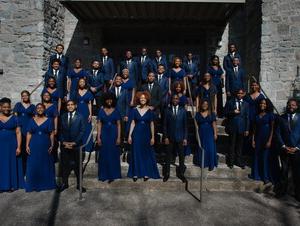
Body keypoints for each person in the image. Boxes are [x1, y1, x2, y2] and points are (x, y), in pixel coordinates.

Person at [127, 91, 160, 181]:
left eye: (144, 98)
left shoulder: (150, 111)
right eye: (141, 98)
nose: (142, 99)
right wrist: (130, 135)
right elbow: (133, 123)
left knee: (146, 154)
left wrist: (153, 137)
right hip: (136, 134)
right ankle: (136, 173)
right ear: (139, 99)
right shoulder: (134, 110)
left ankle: (146, 173)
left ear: (147, 99)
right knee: (136, 153)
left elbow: (152, 124)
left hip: (146, 134)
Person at [25, 103, 56, 192]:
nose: (39, 109)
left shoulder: (49, 120)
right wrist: (27, 145)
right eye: (38, 108)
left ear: (44, 109)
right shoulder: (31, 120)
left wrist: (52, 144)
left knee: (45, 162)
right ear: (36, 109)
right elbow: (29, 133)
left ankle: (46, 184)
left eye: (41, 107)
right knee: (33, 163)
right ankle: (33, 184)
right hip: (33, 144)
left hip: (45, 144)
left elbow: (51, 133)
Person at [274, 98, 300, 201]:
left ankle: (298, 194)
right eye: (289, 105)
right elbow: (278, 133)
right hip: (285, 149)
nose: (291, 107)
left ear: (297, 106)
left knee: (297, 173)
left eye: (293, 105)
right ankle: (282, 191)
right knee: (284, 171)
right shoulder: (282, 118)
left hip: (297, 150)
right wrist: (284, 146)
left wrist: (297, 147)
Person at [58, 100, 86, 192]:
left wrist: (75, 143)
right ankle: (64, 183)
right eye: (68, 105)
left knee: (78, 166)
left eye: (72, 105)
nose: (70, 106)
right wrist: (63, 142)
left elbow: (82, 131)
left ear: (75, 106)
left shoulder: (80, 116)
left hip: (76, 146)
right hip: (65, 145)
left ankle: (79, 185)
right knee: (64, 165)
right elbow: (60, 130)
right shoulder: (62, 116)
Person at [0, 98, 24, 191]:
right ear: (0, 107)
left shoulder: (15, 118)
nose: (6, 108)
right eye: (4, 107)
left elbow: (18, 133)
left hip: (11, 144)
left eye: (8, 107)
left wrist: (18, 147)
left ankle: (10, 185)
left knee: (10, 163)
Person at [97, 92, 122, 182]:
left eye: (111, 99)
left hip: (113, 134)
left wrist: (119, 137)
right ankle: (103, 175)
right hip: (104, 133)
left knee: (113, 154)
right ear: (104, 100)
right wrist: (98, 137)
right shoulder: (101, 110)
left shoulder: (116, 110)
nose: (109, 101)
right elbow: (99, 124)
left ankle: (113, 174)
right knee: (104, 154)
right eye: (107, 99)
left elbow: (119, 125)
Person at [163, 94, 188, 182]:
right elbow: (165, 125)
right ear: (171, 100)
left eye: (177, 99)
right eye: (174, 98)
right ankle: (167, 174)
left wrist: (185, 138)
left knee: (181, 157)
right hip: (170, 137)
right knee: (168, 157)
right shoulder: (167, 111)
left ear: (179, 100)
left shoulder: (183, 111)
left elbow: (185, 126)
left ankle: (181, 174)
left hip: (180, 137)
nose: (175, 100)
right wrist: (165, 137)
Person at [250, 98, 274, 183]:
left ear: (267, 105)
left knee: (265, 157)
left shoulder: (270, 115)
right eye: (261, 103)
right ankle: (256, 175)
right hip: (258, 138)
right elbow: (254, 129)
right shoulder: (257, 115)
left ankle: (266, 177)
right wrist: (253, 140)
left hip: (266, 137)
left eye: (264, 103)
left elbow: (272, 129)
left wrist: (269, 141)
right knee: (257, 156)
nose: (262, 105)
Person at [224, 88, 249, 169]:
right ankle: (230, 162)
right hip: (232, 126)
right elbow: (225, 113)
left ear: (243, 94)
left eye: (241, 93)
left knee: (239, 146)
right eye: (238, 93)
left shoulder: (246, 104)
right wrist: (232, 112)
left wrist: (247, 129)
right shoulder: (230, 102)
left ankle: (238, 161)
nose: (239, 95)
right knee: (232, 145)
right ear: (236, 94)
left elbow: (247, 117)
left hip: (241, 127)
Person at [13, 90, 35, 174]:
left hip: (29, 131)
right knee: (20, 150)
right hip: (19, 130)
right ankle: (20, 171)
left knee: (28, 151)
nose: (25, 97)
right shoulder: (18, 105)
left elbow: (34, 118)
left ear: (29, 96)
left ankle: (28, 171)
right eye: (23, 95)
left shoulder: (32, 106)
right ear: (21, 97)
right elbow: (15, 117)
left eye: (26, 95)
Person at [194, 99, 218, 171]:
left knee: (210, 148)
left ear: (208, 105)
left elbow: (214, 124)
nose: (205, 105)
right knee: (203, 148)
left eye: (206, 104)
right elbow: (196, 126)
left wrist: (215, 133)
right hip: (201, 132)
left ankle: (211, 164)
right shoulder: (198, 114)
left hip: (209, 133)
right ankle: (203, 163)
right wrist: (196, 134)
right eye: (203, 104)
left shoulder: (211, 113)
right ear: (201, 105)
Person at [76, 78, 94, 152]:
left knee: (87, 129)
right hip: (78, 112)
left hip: (86, 112)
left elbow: (90, 104)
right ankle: (79, 145)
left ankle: (88, 147)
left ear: (85, 83)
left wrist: (90, 114)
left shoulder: (88, 92)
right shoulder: (75, 92)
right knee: (78, 128)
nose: (82, 83)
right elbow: (73, 103)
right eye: (80, 82)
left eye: (83, 82)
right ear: (78, 83)